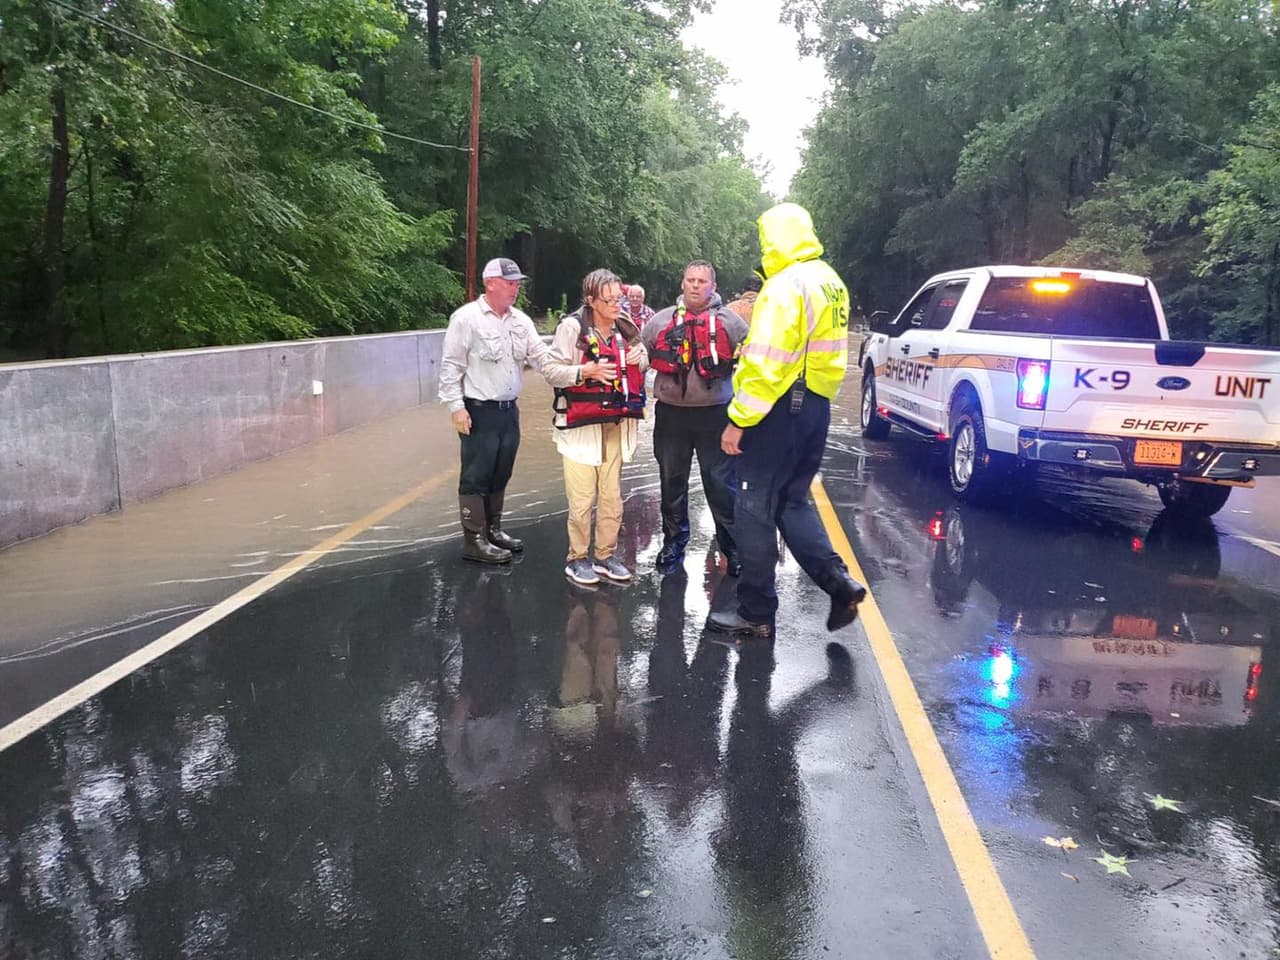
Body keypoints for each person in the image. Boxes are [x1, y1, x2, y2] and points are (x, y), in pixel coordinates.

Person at [707, 203, 867, 638]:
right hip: (815, 407)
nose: (764, 248)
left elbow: (766, 363)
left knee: (752, 508)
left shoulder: (784, 286)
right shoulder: (830, 281)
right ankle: (840, 584)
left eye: (765, 240)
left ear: (776, 238)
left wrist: (738, 418)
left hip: (778, 409)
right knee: (792, 501)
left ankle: (755, 613)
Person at [438, 257, 549, 564]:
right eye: (509, 283)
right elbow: (451, 367)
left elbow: (541, 357)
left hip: (508, 411)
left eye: (517, 284)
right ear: (490, 283)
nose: (515, 289)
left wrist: (573, 369)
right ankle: (474, 540)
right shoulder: (466, 319)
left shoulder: (520, 321)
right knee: (476, 475)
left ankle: (493, 530)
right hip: (478, 409)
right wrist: (456, 408)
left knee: (502, 470)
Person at [543, 269, 649, 586]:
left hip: (616, 422)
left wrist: (640, 356)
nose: (617, 304)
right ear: (591, 300)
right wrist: (584, 371)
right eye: (609, 299)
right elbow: (549, 370)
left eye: (619, 297)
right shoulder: (572, 328)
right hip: (580, 425)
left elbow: (644, 363)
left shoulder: (625, 328)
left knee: (612, 496)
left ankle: (605, 555)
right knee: (581, 499)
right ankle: (577, 558)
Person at [641, 261, 748, 574]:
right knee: (672, 481)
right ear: (682, 283)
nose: (696, 286)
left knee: (720, 484)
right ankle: (674, 542)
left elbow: (752, 366)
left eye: (702, 281)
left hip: (715, 415)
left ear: (713, 286)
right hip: (671, 415)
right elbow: (640, 357)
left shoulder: (732, 322)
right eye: (691, 280)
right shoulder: (660, 321)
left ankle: (732, 547)